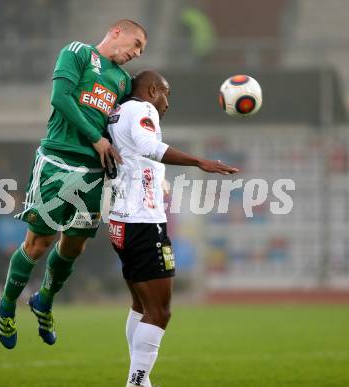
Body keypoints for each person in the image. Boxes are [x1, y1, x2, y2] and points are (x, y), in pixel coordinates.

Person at [0, 19, 148, 350]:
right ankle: (6, 305)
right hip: (57, 163)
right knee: (39, 243)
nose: (136, 53)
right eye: (136, 44)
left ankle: (44, 301)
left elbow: (118, 130)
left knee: (74, 246)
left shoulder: (122, 82)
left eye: (141, 51)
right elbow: (60, 98)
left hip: (93, 174)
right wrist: (95, 138)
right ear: (116, 32)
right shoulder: (77, 52)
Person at [107, 70, 239, 387]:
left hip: (122, 219)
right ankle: (137, 381)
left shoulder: (116, 112)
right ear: (153, 90)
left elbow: (135, 156)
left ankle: (139, 380)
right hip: (142, 222)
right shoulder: (143, 109)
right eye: (166, 94)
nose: (167, 103)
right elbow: (149, 146)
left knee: (141, 306)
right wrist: (199, 162)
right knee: (160, 310)